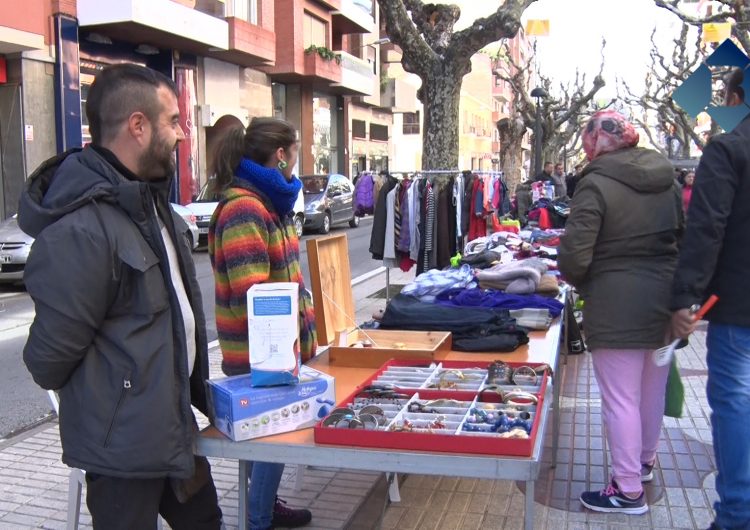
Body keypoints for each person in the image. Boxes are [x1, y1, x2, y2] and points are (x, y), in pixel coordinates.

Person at [18, 64, 223, 529]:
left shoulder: (153, 208)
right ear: (137, 125)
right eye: (174, 121)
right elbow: (48, 360)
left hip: (173, 433)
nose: (183, 134)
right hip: (121, 457)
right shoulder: (83, 230)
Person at [558, 110, 683, 515]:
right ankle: (643, 464)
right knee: (651, 390)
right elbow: (681, 235)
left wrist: (583, 281)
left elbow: (575, 255)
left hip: (615, 300)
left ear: (594, 142)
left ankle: (627, 490)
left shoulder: (594, 184)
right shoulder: (665, 178)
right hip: (663, 296)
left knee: (620, 399)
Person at [209, 117, 317, 530]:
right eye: (296, 149)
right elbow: (253, 294)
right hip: (261, 355)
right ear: (280, 155)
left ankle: (266, 506)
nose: (298, 159)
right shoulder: (244, 208)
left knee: (270, 439)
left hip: (277, 350)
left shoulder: (268, 202)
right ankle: (259, 521)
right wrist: (284, 351)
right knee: (273, 438)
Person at [671, 68, 750, 530]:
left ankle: (738, 515)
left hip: (738, 303)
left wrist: (687, 299)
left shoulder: (729, 148)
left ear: (738, 96)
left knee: (736, 402)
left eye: (725, 96)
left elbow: (706, 230)